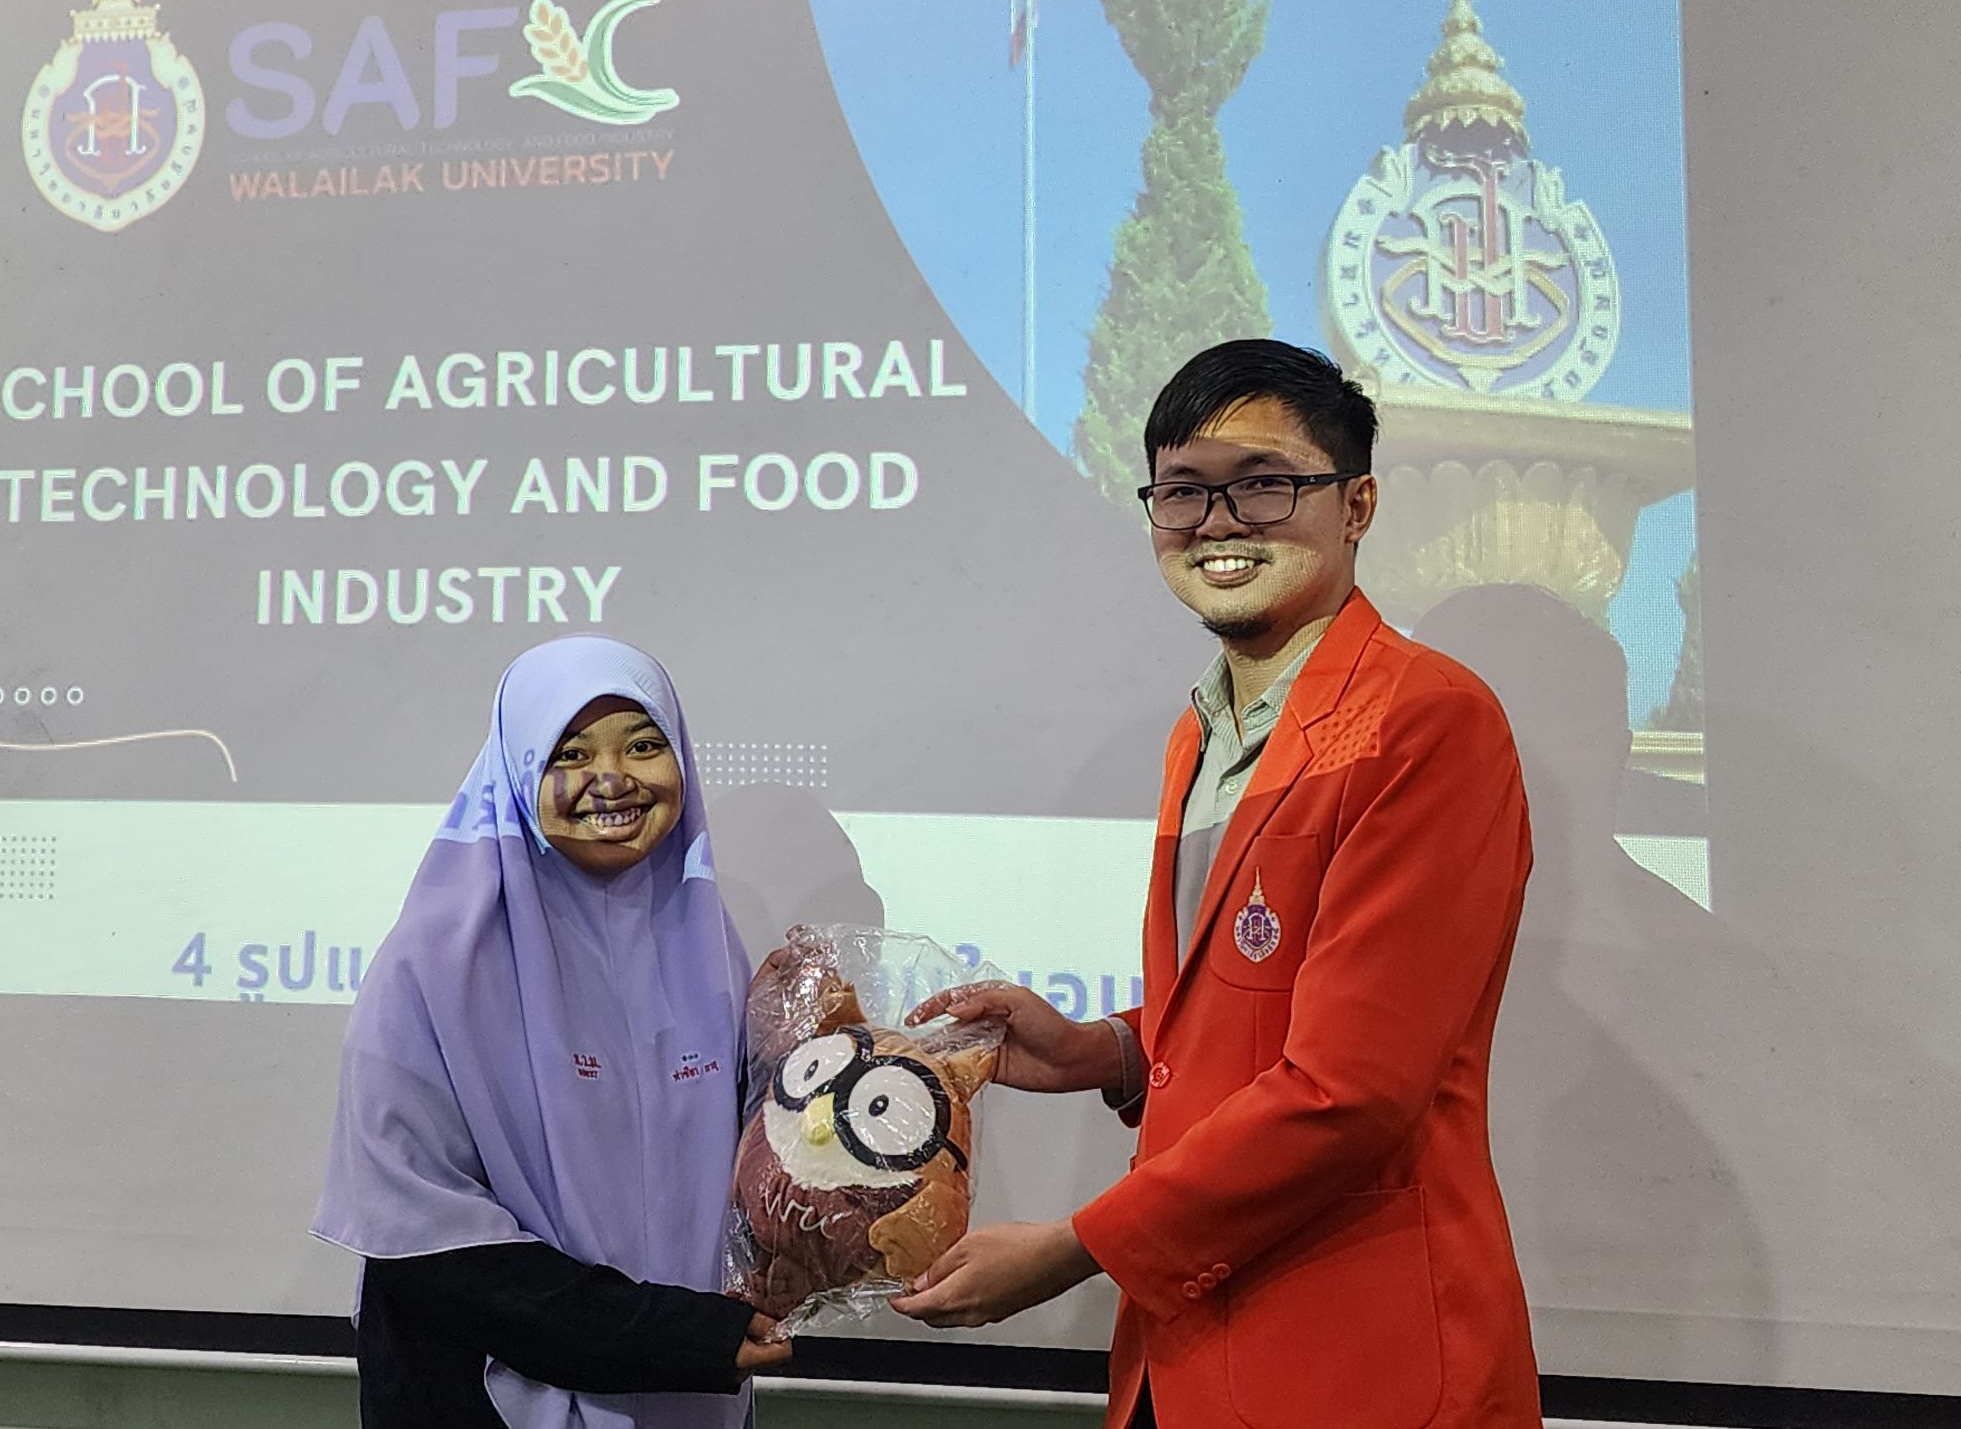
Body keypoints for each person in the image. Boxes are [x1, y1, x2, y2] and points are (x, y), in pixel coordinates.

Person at [895, 339, 1542, 1429]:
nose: (1219, 522)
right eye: (1184, 491)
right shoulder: (1201, 731)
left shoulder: (1427, 721)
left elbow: (1350, 1089)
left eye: (1264, 483)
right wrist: (1105, 1051)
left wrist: (1075, 1247)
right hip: (1186, 1353)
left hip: (1353, 1360)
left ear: (1357, 504)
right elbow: (1264, 1004)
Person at [314, 635, 792, 1429]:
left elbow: (754, 1175)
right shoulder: (433, 965)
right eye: (571, 752)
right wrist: (668, 1335)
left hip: (693, 1392)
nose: (614, 777)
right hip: (482, 1400)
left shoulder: (711, 950)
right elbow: (430, 1242)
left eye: (644, 745)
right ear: (517, 766)